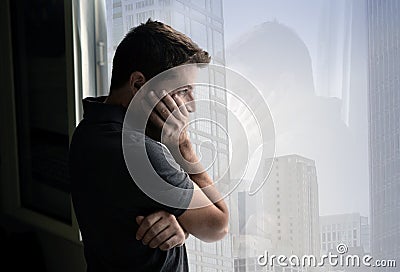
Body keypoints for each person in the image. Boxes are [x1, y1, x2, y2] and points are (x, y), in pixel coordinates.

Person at [69, 19, 229, 272]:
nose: (192, 104)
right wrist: (183, 145)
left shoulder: (89, 130)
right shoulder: (137, 153)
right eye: (183, 90)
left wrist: (180, 222)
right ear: (138, 84)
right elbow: (218, 225)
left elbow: (130, 206)